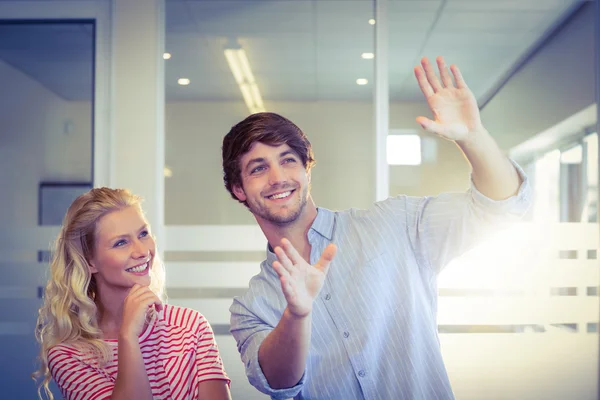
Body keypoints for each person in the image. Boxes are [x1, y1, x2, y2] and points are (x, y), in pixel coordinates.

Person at [221, 56, 532, 399]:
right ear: (238, 189)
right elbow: (276, 382)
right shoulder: (251, 306)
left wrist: (474, 137)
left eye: (288, 160)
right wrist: (297, 314)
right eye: (258, 168)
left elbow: (503, 206)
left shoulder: (395, 223)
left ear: (307, 169)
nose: (278, 178)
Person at [33, 188, 232, 400]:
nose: (142, 251)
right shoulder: (68, 355)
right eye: (121, 242)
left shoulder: (190, 326)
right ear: (89, 261)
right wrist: (128, 337)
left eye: (143, 234)